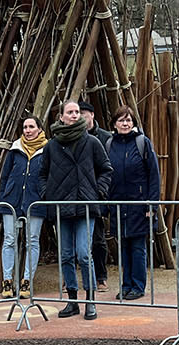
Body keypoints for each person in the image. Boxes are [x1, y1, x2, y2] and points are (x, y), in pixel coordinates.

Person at [38, 100, 112, 320]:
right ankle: (72, 300)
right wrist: (46, 194)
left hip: (85, 207)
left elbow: (106, 169)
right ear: (61, 117)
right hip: (61, 208)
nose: (74, 115)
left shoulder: (91, 142)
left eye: (77, 112)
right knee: (66, 255)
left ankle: (90, 300)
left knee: (84, 253)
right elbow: (42, 174)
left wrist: (98, 192)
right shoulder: (51, 146)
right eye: (70, 112)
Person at [103, 106, 161, 301]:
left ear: (133, 123)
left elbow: (154, 176)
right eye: (121, 120)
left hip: (139, 204)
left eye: (128, 120)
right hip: (118, 204)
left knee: (137, 246)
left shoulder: (142, 143)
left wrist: (151, 204)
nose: (125, 124)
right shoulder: (109, 145)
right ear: (114, 124)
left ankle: (137, 285)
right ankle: (125, 285)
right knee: (123, 246)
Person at [0, 115, 47, 300]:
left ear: (39, 129)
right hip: (12, 201)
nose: (28, 130)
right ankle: (7, 280)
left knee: (32, 240)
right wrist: (2, 201)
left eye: (31, 126)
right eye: (25, 127)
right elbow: (5, 176)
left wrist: (44, 196)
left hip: (35, 202)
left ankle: (26, 281)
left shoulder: (47, 150)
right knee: (9, 239)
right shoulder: (15, 150)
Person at [77, 101, 115, 292]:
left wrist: (101, 191)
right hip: (76, 196)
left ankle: (101, 277)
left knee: (98, 239)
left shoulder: (105, 138)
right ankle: (74, 280)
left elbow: (108, 168)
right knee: (74, 242)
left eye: (84, 113)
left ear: (92, 115)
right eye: (78, 113)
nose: (81, 117)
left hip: (97, 196)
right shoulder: (72, 138)